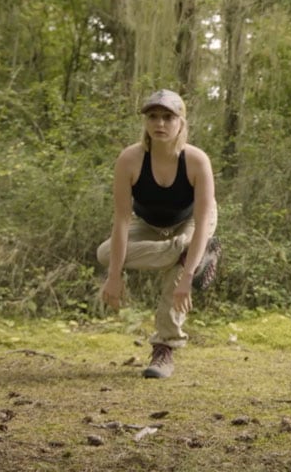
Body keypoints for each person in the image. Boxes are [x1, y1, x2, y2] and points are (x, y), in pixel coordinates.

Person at [96, 89, 221, 379]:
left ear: (181, 123)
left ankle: (165, 347)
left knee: (179, 270)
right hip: (151, 224)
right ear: (146, 122)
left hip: (193, 222)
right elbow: (122, 220)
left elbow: (202, 222)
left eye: (168, 117)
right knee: (106, 254)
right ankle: (190, 253)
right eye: (153, 117)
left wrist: (189, 276)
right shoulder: (130, 159)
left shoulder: (195, 161)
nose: (160, 124)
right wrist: (114, 276)